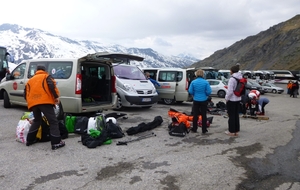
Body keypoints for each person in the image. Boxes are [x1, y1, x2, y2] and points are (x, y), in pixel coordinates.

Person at [24, 65, 65, 150]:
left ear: (36, 70)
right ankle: (56, 142)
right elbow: (51, 86)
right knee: (53, 121)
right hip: (45, 102)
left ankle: (29, 140)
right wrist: (56, 97)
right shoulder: (46, 77)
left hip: (33, 103)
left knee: (37, 120)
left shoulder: (30, 80)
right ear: (44, 70)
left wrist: (30, 101)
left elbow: (25, 93)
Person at [188, 69, 212, 134]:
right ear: (203, 74)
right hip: (204, 100)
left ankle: (194, 128)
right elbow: (209, 91)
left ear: (196, 74)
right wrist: (206, 95)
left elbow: (190, 91)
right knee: (204, 115)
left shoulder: (193, 82)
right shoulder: (206, 82)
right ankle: (204, 129)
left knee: (195, 115)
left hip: (196, 100)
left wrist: (194, 95)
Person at [225, 65, 242, 137]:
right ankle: (236, 130)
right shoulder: (240, 77)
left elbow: (230, 91)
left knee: (231, 116)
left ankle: (231, 131)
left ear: (232, 71)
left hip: (232, 99)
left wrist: (226, 98)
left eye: (230, 70)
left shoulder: (232, 79)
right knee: (236, 115)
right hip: (238, 99)